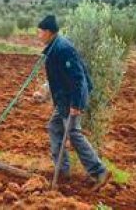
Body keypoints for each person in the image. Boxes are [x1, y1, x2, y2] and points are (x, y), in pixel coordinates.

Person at [33, 15, 111, 192]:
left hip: (70, 101)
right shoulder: (54, 47)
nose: (38, 35)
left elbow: (78, 78)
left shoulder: (63, 49)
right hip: (63, 100)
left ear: (47, 32)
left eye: (39, 32)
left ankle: (99, 171)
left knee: (74, 134)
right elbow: (58, 78)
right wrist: (44, 93)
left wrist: (76, 105)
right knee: (54, 127)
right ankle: (62, 171)